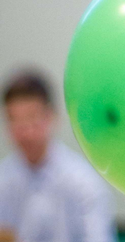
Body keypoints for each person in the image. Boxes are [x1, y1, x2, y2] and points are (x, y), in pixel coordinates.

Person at [0, 70, 117, 241]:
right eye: (14, 120)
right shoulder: (3, 179)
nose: (25, 131)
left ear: (51, 116)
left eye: (32, 118)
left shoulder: (84, 183)